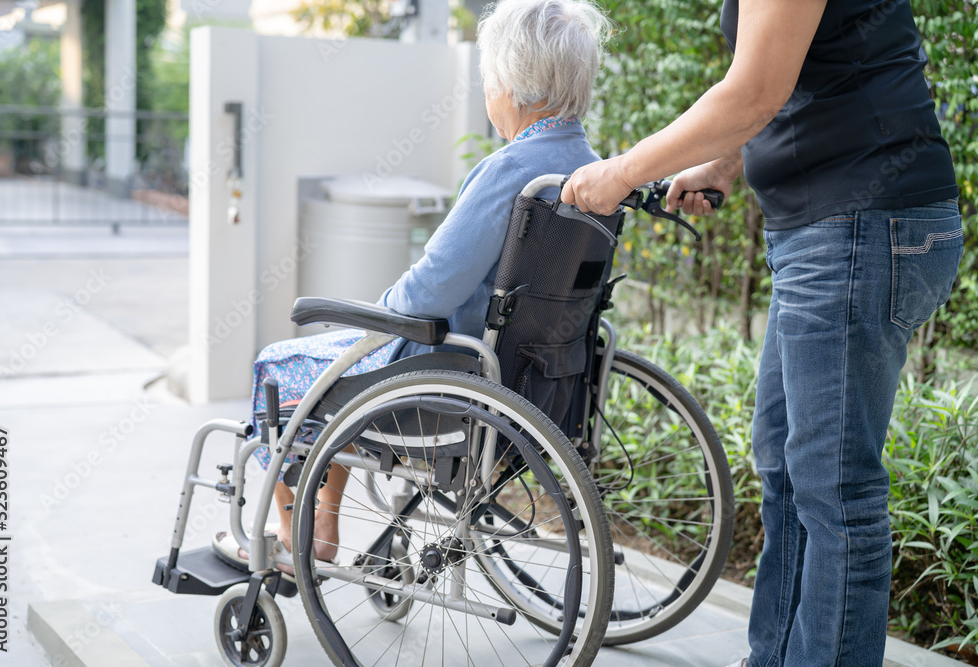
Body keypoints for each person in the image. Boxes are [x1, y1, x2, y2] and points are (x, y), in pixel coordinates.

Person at [561, 0, 963, 665]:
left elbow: (752, 93)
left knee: (834, 490)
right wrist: (723, 163)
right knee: (783, 464)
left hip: (861, 226)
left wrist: (622, 170)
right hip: (831, 232)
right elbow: (796, 73)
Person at [215, 0, 614, 574]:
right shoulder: (590, 168)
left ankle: (296, 530)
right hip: (536, 377)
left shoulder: (511, 170)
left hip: (448, 375)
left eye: (488, 81)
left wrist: (375, 319)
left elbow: (430, 289)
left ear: (511, 84)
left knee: (282, 365)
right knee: (338, 369)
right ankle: (323, 515)